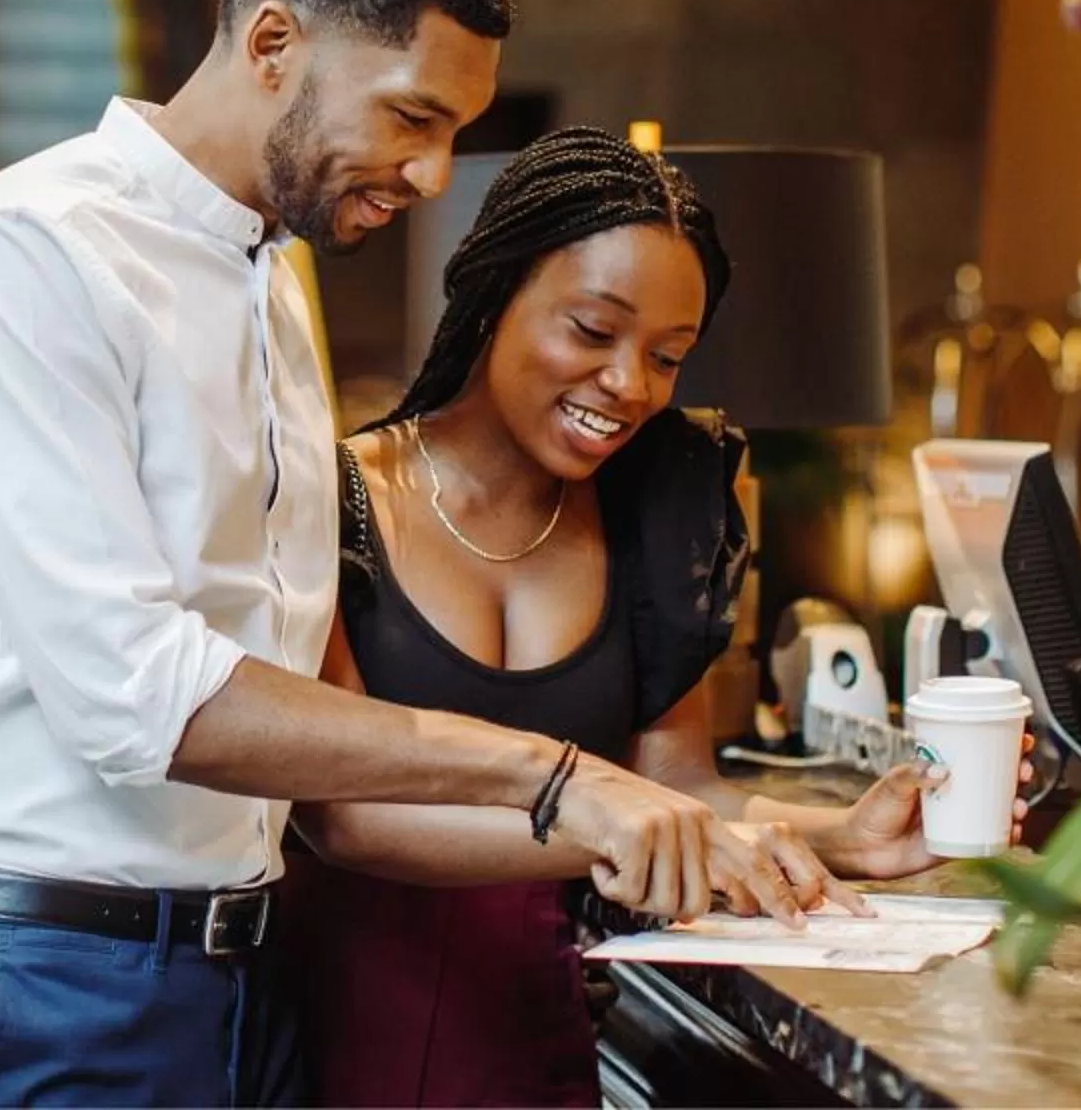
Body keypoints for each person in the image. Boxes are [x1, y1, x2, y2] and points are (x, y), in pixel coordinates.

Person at [0, 0, 827, 1110]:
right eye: (413, 117)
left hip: (231, 989)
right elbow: (137, 697)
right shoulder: (31, 255)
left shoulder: (268, 281)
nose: (432, 175)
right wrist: (550, 771)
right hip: (16, 984)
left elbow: (295, 717)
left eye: (454, 131)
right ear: (274, 41)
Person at [281, 128, 1031, 1106]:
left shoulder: (655, 502)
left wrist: (842, 834)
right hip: (342, 1036)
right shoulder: (333, 499)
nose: (629, 385)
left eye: (668, 354)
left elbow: (675, 784)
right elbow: (345, 814)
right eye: (593, 330)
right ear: (493, 293)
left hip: (539, 1035)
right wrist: (616, 827)